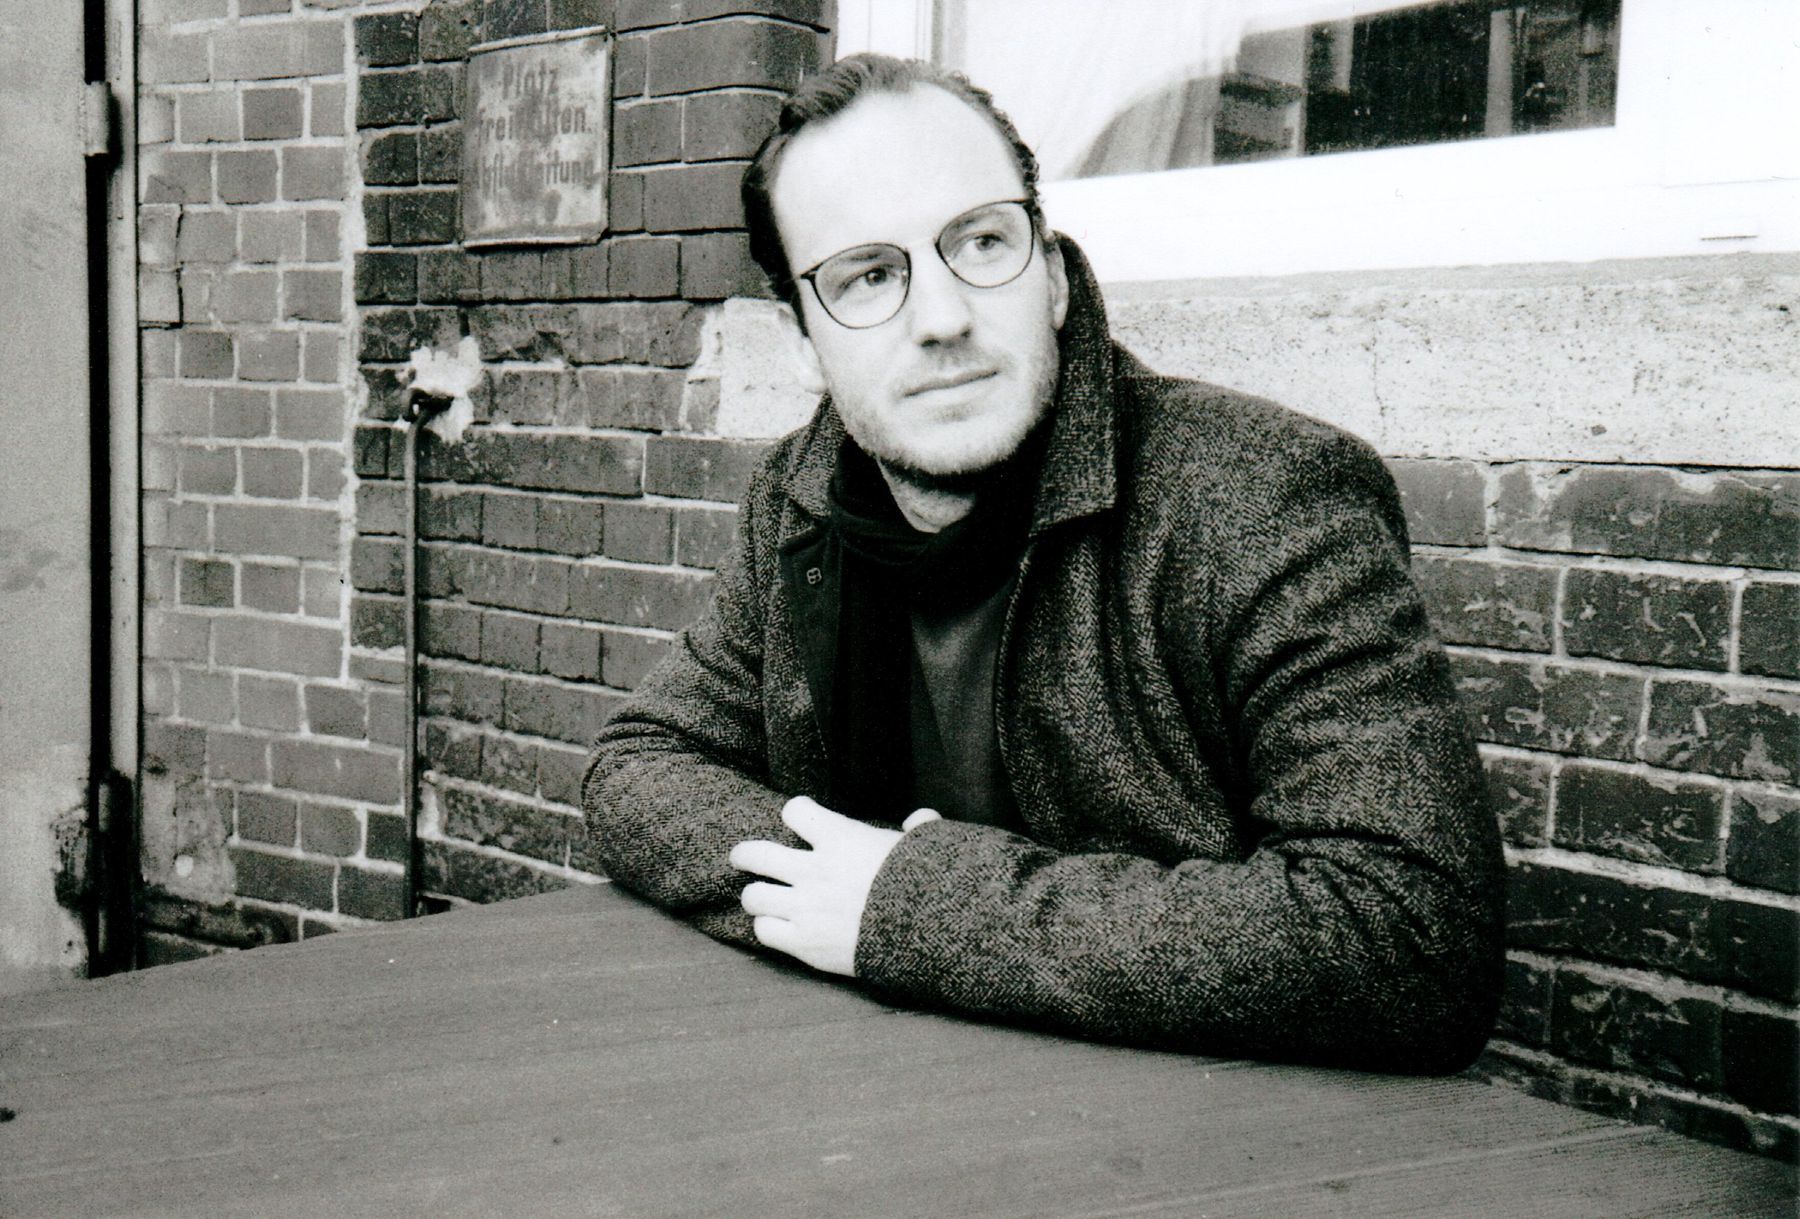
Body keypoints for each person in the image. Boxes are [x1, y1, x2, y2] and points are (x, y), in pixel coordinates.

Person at [582, 53, 1505, 1072]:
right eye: (868, 276)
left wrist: (908, 905)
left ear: (1053, 277)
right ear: (803, 342)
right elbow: (640, 763)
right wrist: (832, 889)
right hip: (874, 1087)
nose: (942, 318)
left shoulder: (1260, 495)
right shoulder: (800, 503)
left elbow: (1409, 933)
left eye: (981, 241)